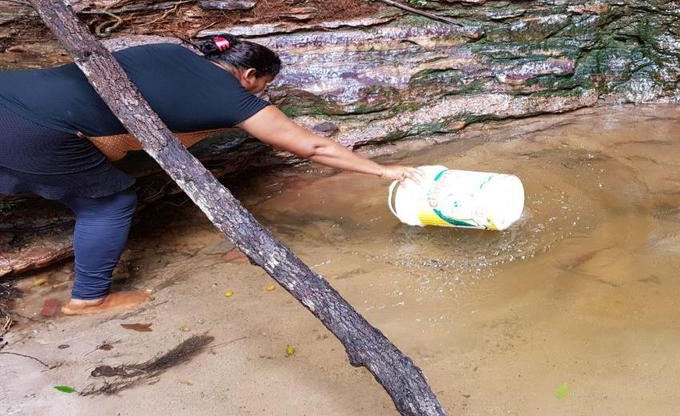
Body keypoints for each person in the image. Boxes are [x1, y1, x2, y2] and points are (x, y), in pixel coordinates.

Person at [0, 35, 418, 315]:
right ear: (249, 75)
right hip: (34, 128)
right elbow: (313, 145)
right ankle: (89, 299)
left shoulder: (166, 50)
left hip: (10, 89)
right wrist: (382, 169)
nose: (259, 95)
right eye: (262, 86)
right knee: (109, 201)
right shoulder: (231, 98)